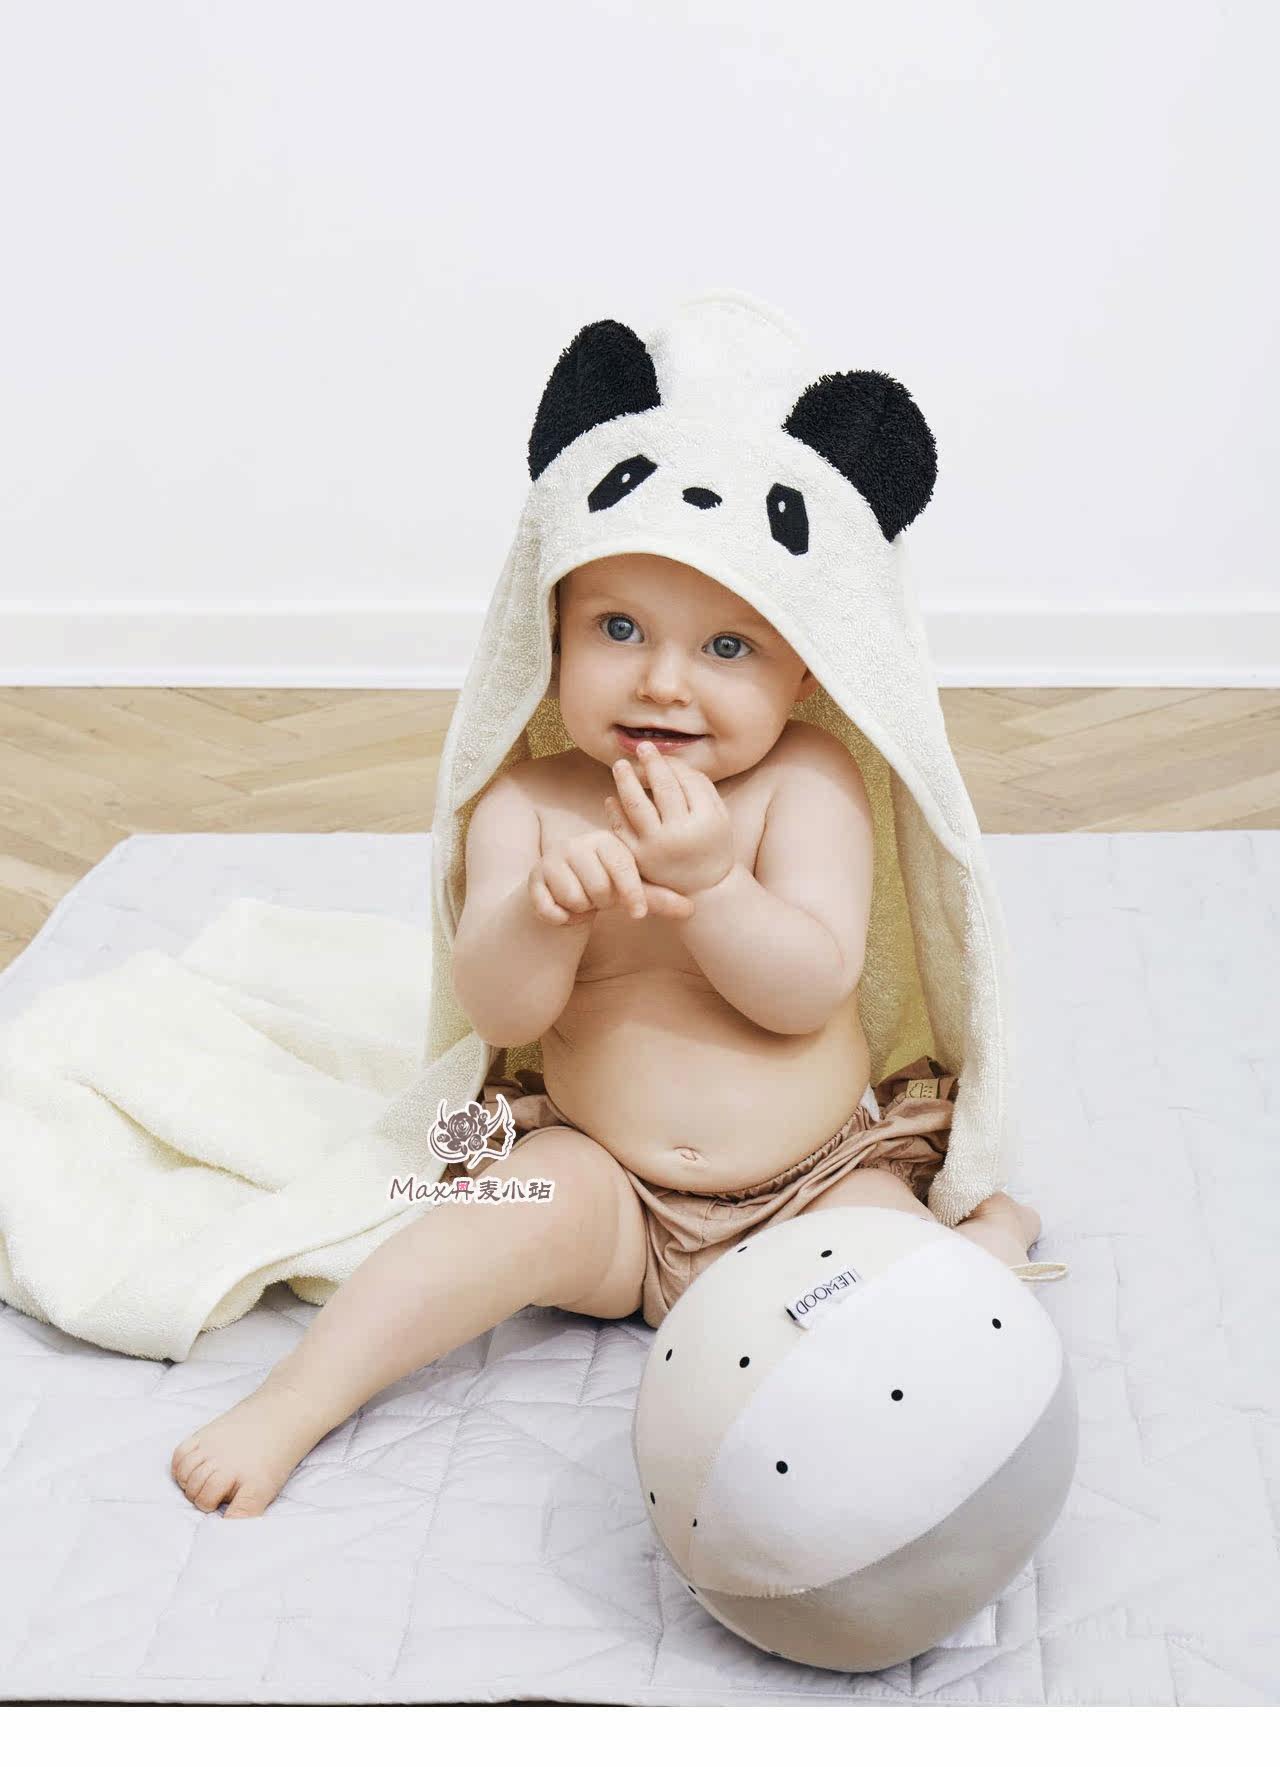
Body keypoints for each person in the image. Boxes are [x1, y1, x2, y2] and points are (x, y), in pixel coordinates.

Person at [170, 551, 1044, 1518]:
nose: (662, 681)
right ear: (550, 640)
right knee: (479, 1224)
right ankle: (296, 1398)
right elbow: (503, 1017)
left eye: (727, 646)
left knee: (924, 1283)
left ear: (803, 669)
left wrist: (715, 883)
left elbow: (809, 987)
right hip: (611, 1190)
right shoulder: (527, 803)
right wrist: (542, 917)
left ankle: (993, 1234)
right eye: (619, 629)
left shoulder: (806, 778)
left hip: (813, 1185)